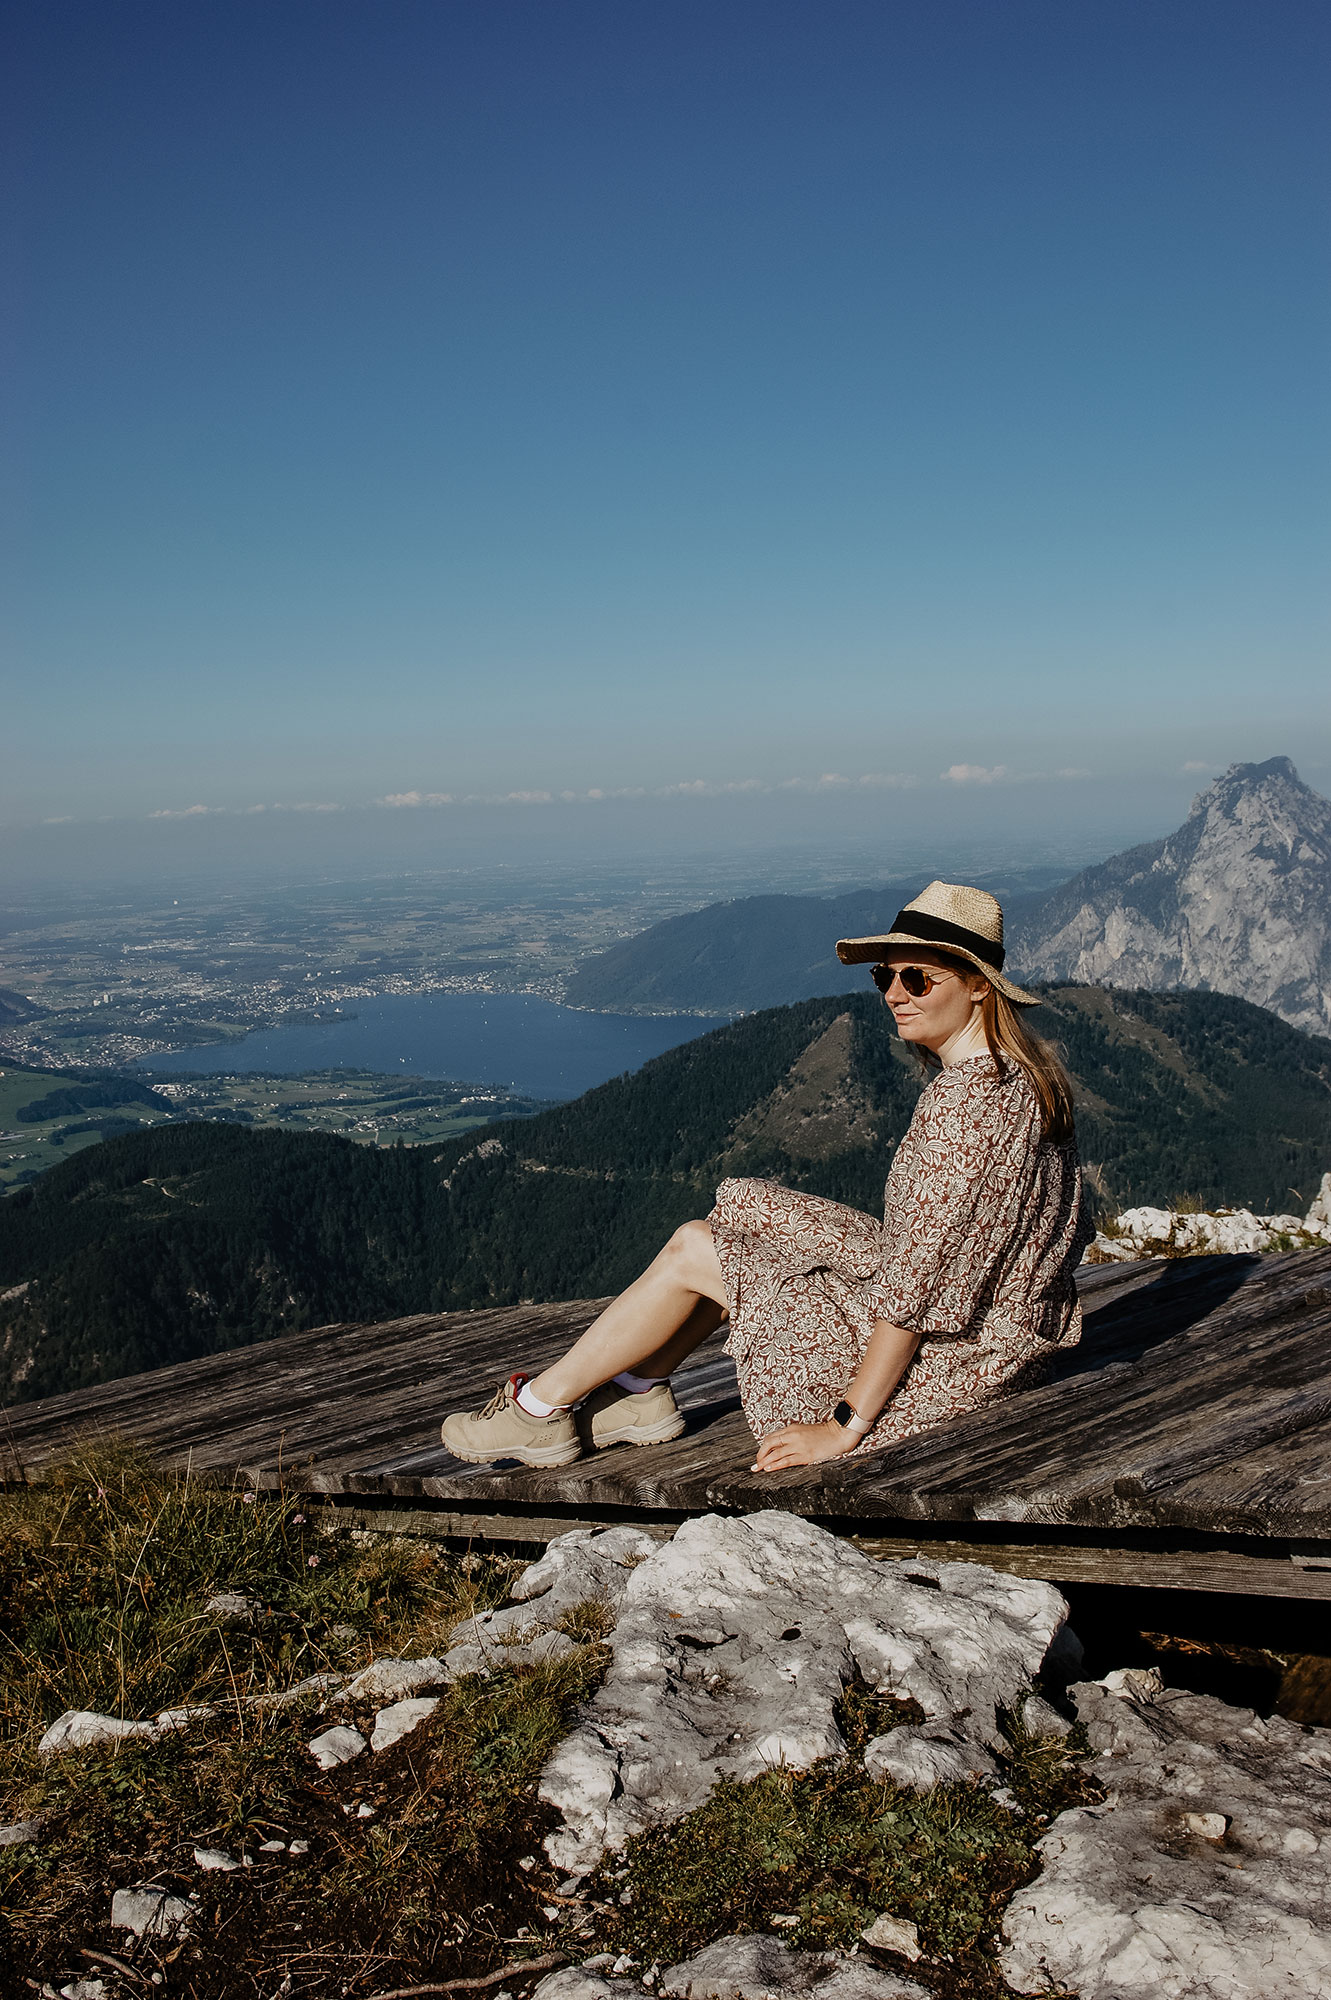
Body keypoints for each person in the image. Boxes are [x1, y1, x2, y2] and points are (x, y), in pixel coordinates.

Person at [439, 880, 1093, 1474]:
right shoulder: (1025, 1079)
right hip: (999, 1340)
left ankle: (539, 1410)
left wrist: (843, 1426)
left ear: (977, 984)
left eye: (917, 979)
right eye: (884, 979)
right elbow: (1061, 1236)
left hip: (949, 1366)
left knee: (697, 1247)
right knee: (743, 1208)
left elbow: (911, 1296)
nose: (894, 994)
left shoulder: (963, 1110)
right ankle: (641, 1393)